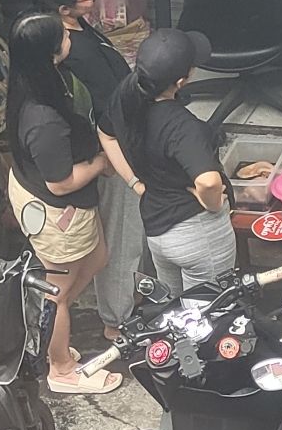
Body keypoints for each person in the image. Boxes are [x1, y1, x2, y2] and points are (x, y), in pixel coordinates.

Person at [6, 10, 136, 394]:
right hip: (55, 209)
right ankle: (61, 368)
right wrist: (100, 163)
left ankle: (46, 327)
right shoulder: (42, 119)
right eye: (62, 36)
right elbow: (61, 183)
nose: (70, 37)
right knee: (57, 292)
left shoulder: (33, 80)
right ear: (49, 53)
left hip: (43, 192)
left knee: (97, 258)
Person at [24, 0, 144, 341]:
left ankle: (127, 300)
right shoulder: (64, 52)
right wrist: (108, 156)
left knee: (124, 236)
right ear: (63, 10)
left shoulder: (77, 26)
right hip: (111, 150)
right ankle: (116, 321)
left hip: (124, 136)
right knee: (121, 236)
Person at [99, 28, 236, 294]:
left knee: (173, 310)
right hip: (197, 234)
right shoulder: (182, 127)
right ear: (182, 81)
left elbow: (106, 135)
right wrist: (214, 203)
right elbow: (208, 182)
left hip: (158, 232)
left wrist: (135, 183)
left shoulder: (124, 97)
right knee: (211, 313)